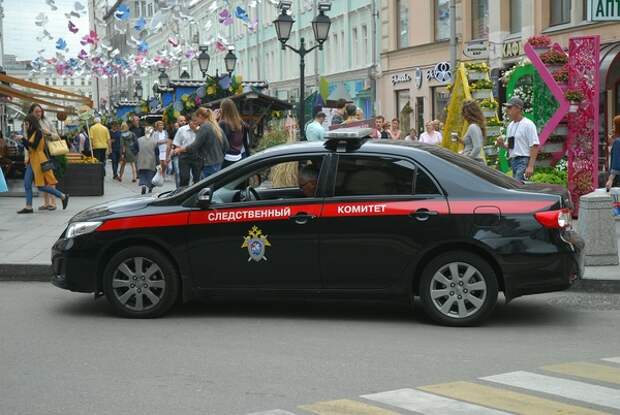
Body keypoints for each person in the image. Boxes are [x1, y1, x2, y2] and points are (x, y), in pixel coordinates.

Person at [17, 114, 69, 214]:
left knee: (40, 185)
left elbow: (34, 146)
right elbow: (29, 148)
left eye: (26, 124)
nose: (25, 126)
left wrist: (23, 139)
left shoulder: (38, 132)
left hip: (39, 161)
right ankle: (28, 207)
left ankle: (62, 196)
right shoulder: (31, 133)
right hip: (32, 161)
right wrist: (23, 141)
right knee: (27, 183)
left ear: (31, 123)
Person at [174, 108, 229, 178]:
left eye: (196, 118)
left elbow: (193, 147)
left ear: (200, 116)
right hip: (218, 162)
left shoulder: (204, 127)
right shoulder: (216, 126)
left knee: (206, 184)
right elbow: (226, 146)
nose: (196, 121)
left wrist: (180, 149)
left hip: (208, 164)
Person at [497, 96, 540, 182]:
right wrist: (501, 144)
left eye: (509, 107)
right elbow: (510, 147)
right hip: (513, 160)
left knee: (517, 186)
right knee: (517, 186)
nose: (506, 110)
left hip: (523, 160)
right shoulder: (510, 126)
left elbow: (534, 145)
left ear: (518, 109)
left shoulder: (528, 124)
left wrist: (530, 166)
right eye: (507, 107)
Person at [27, 104, 58, 210]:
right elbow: (27, 141)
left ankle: (53, 203)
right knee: (42, 179)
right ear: (31, 112)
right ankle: (46, 203)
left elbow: (56, 136)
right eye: (36, 111)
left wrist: (48, 133)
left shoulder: (47, 122)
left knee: (50, 178)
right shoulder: (29, 123)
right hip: (35, 155)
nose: (38, 114)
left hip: (47, 153)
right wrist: (26, 156)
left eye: (40, 111)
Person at [219, 98, 251, 168]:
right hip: (238, 157)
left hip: (226, 158)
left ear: (222, 109)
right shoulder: (242, 124)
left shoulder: (222, 124)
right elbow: (246, 144)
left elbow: (221, 144)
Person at [173, 115, 200, 187]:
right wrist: (180, 150)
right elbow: (177, 143)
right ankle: (183, 192)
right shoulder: (181, 130)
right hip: (184, 155)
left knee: (197, 178)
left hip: (197, 156)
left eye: (196, 121)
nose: (195, 123)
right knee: (184, 177)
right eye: (193, 121)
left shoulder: (200, 130)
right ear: (189, 121)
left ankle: (196, 192)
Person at [136, 128, 159, 195]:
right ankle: (149, 187)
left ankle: (143, 185)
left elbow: (133, 148)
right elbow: (157, 153)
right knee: (150, 175)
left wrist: (137, 154)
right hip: (151, 161)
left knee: (142, 174)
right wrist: (158, 163)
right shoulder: (154, 141)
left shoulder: (139, 140)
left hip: (141, 161)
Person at [169, 115, 187, 188]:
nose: (183, 122)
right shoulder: (174, 131)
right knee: (178, 172)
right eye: (181, 121)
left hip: (187, 154)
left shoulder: (189, 129)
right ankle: (178, 189)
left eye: (184, 120)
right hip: (177, 155)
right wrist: (169, 155)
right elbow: (170, 143)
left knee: (187, 173)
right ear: (177, 122)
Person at [606, 115, 620, 190]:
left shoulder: (617, 142)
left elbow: (616, 163)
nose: (613, 127)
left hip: (617, 179)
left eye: (614, 125)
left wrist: (610, 179)